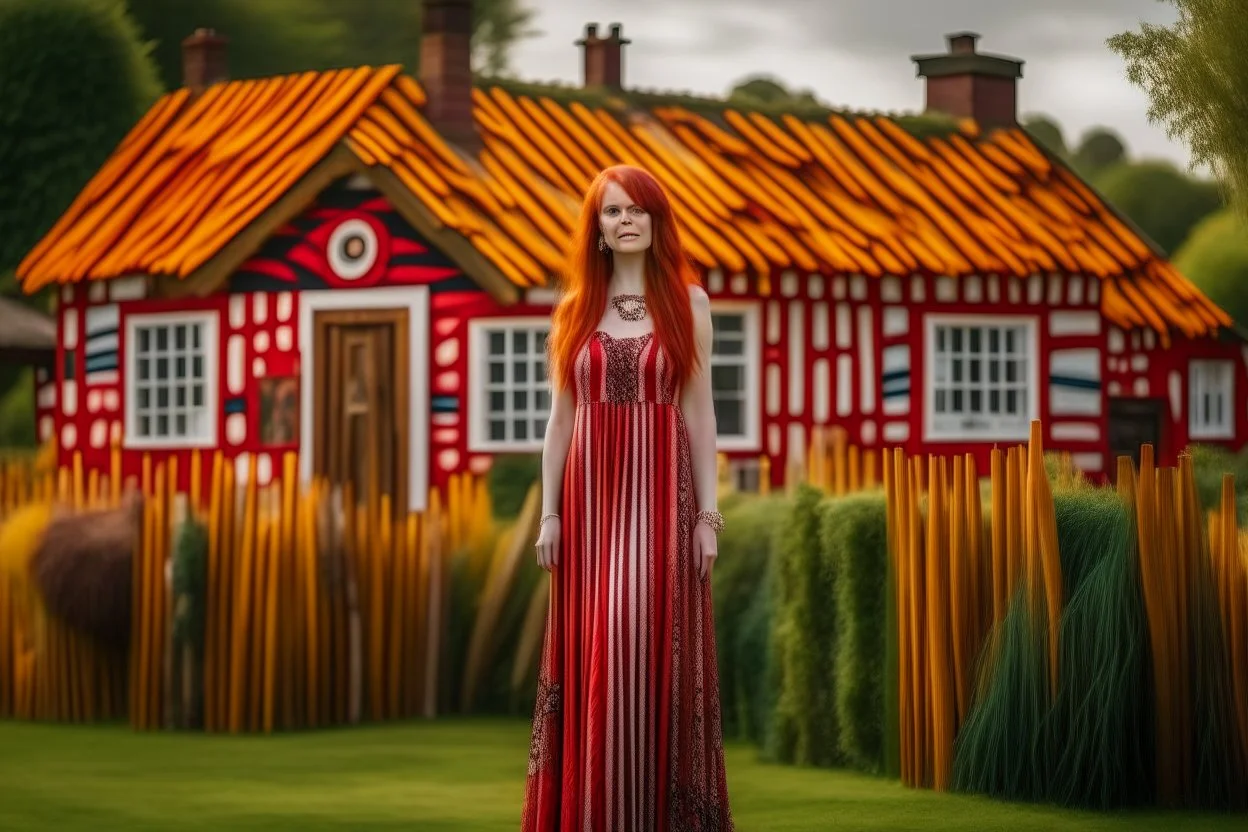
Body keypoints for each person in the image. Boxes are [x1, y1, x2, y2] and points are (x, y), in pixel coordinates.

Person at [520, 164, 734, 831]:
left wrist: (707, 515)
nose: (626, 220)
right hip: (589, 501)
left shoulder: (688, 302)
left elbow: (701, 413)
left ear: (656, 221)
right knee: (598, 644)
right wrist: (549, 512)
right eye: (613, 212)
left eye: (637, 209)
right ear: (600, 230)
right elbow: (561, 420)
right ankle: (597, 812)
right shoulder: (575, 307)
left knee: (638, 634)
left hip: (662, 497)